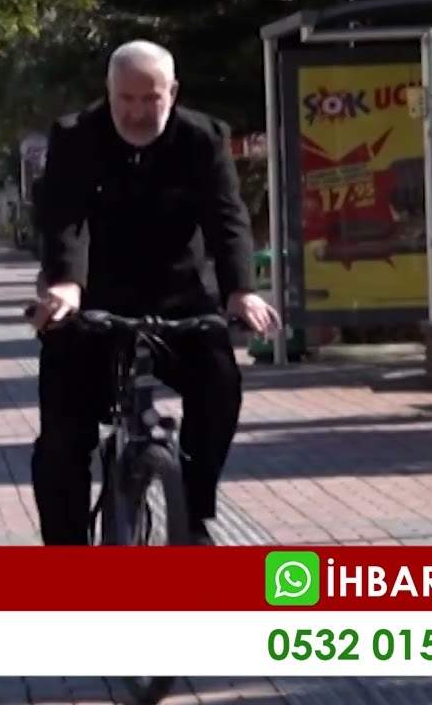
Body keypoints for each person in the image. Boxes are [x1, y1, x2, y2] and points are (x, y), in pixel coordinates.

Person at [27, 40, 278, 547]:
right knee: (61, 442)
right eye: (126, 99)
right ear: (109, 93)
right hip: (92, 300)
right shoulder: (76, 137)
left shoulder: (203, 139)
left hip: (178, 299)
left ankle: (195, 513)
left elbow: (227, 218)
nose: (138, 112)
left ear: (173, 93)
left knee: (220, 383)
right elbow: (63, 216)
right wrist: (66, 285)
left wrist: (240, 292)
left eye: (151, 99)